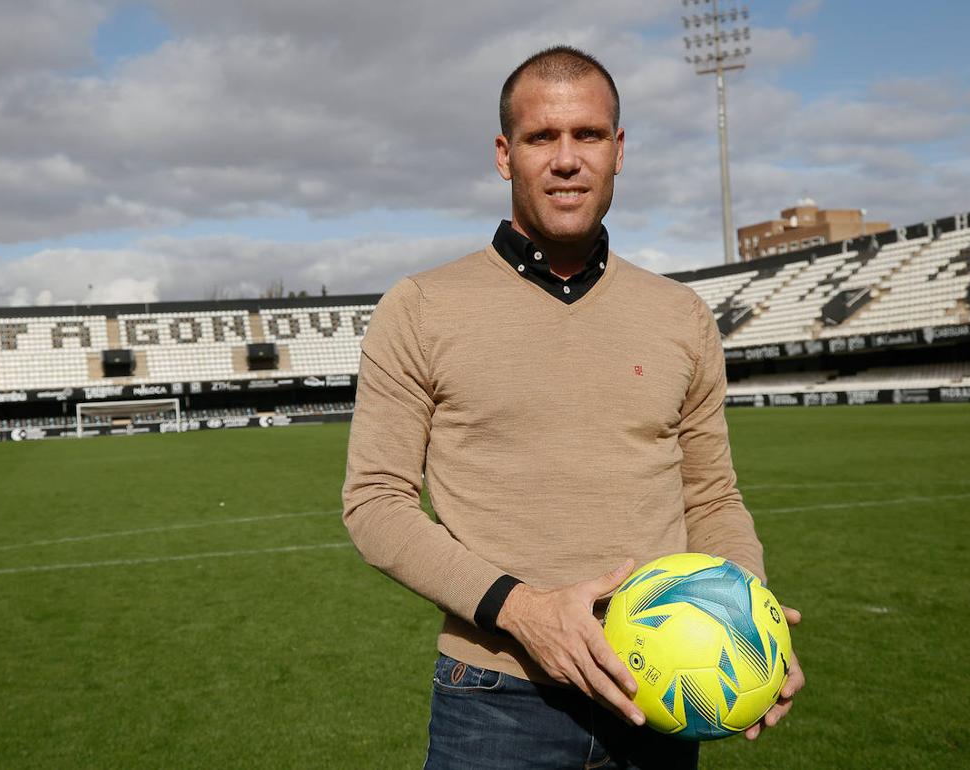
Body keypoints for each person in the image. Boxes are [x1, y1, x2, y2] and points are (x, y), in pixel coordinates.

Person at [342, 45, 803, 769]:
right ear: (505, 154)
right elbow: (374, 504)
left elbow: (711, 497)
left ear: (618, 151)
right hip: (496, 698)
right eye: (541, 137)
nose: (566, 159)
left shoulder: (680, 314)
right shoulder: (422, 307)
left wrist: (755, 621)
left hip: (656, 701)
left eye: (587, 135)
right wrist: (523, 611)